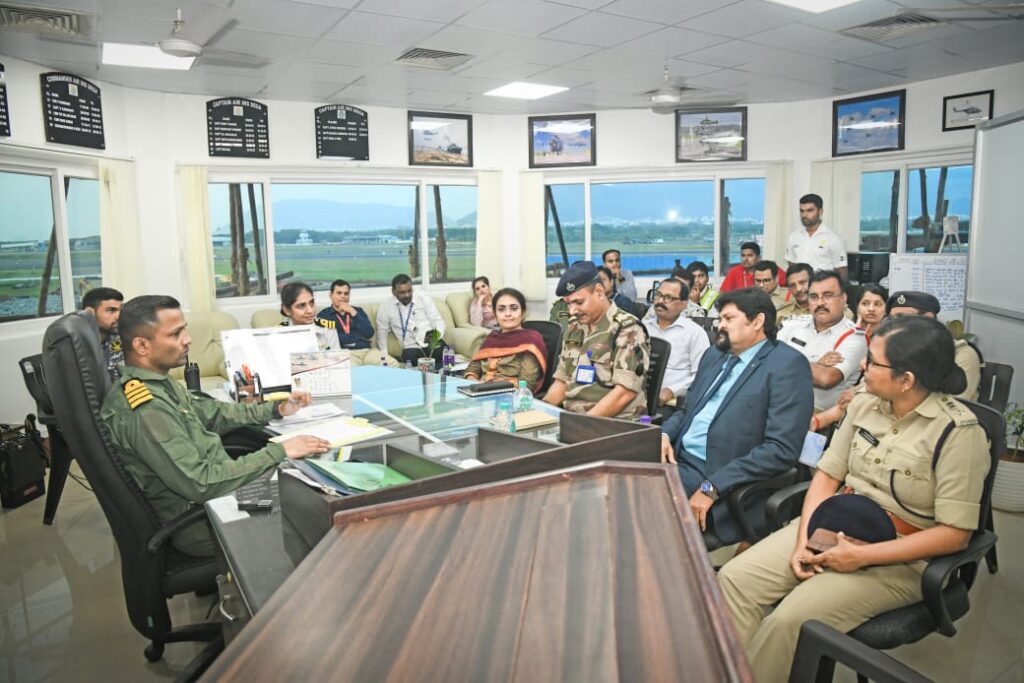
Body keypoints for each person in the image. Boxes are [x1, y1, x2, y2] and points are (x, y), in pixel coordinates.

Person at [717, 316, 989, 683]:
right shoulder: (865, 404)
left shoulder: (958, 434)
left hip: (901, 555)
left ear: (906, 379)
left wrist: (862, 556)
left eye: (873, 361)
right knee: (734, 579)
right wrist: (804, 540)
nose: (862, 364)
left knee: (790, 620)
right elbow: (827, 476)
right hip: (834, 525)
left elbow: (955, 535)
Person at [100, 295, 331, 557]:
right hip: (206, 518)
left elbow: (214, 413)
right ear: (141, 345)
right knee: (310, 509)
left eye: (185, 329)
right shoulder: (146, 409)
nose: (187, 339)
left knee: (303, 490)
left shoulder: (158, 384)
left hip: (223, 496)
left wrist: (275, 409)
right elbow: (203, 483)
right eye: (176, 334)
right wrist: (281, 450)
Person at [544, 262, 650, 419]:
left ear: (599, 292)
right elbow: (561, 381)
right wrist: (540, 413)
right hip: (573, 418)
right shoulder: (575, 327)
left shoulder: (628, 329)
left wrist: (579, 424)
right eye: (568, 304)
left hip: (613, 423)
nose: (572, 311)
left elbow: (624, 393)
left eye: (579, 302)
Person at [778, 270, 866, 412]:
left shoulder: (854, 336)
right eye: (813, 297)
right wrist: (817, 364)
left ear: (844, 298)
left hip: (816, 414)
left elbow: (826, 379)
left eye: (828, 296)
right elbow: (765, 359)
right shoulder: (793, 324)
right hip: (778, 403)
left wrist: (784, 362)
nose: (820, 303)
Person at [887, 291, 981, 401]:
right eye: (891, 319)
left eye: (903, 318)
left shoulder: (961, 353)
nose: (895, 325)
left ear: (928, 319)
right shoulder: (895, 350)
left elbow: (955, 402)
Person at [465, 288, 548, 393]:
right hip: (479, 393)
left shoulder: (531, 340)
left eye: (514, 308)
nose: (508, 314)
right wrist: (474, 384)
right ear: (495, 314)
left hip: (510, 396)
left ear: (523, 312)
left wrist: (487, 388)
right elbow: (473, 369)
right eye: (501, 309)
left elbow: (527, 383)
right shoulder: (492, 338)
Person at [642, 278, 710, 406]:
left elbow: (702, 374)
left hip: (673, 404)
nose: (660, 301)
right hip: (639, 399)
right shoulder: (642, 328)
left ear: (684, 304)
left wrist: (672, 391)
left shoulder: (694, 333)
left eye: (668, 298)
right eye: (658, 295)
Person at [316, 279, 399, 367]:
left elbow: (369, 333)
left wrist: (353, 312)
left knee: (392, 364)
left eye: (346, 294)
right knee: (352, 370)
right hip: (345, 354)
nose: (343, 296)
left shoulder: (358, 311)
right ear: (331, 295)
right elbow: (329, 339)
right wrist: (352, 338)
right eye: (339, 293)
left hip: (367, 352)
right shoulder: (323, 315)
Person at [376, 273, 447, 366]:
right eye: (402, 292)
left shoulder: (423, 299)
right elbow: (382, 332)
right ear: (393, 291)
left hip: (431, 343)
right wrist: (384, 357)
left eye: (409, 291)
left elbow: (438, 320)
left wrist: (436, 336)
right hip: (411, 347)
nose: (407, 295)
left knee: (445, 354)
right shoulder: (386, 306)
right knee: (410, 359)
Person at [785, 193, 848, 280]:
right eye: (802, 211)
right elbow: (792, 266)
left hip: (824, 286)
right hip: (801, 286)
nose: (804, 215)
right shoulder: (794, 237)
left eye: (809, 210)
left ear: (820, 211)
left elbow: (842, 271)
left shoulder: (833, 239)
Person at [279, 281, 338, 350]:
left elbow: (337, 356)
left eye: (311, 303)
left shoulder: (328, 329)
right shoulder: (277, 334)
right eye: (302, 306)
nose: (310, 311)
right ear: (287, 310)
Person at [82, 286, 124, 384]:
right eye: (111, 310)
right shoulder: (80, 345)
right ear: (90, 313)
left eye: (120, 310)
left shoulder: (119, 336)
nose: (118, 316)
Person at [776, 262, 813, 327]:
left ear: (813, 282)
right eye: (793, 285)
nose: (798, 289)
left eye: (802, 283)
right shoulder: (781, 313)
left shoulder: (826, 309)